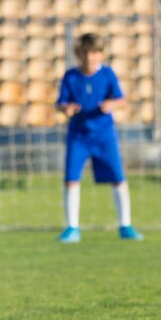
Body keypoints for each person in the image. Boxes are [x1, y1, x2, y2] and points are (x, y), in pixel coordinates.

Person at [55, 33, 143, 243]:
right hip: (79, 136)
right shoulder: (71, 77)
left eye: (94, 53)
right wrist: (66, 108)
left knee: (118, 178)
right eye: (85, 53)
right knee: (71, 180)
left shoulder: (107, 75)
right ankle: (72, 227)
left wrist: (111, 105)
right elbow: (59, 103)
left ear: (101, 54)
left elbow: (122, 100)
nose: (90, 58)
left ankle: (125, 225)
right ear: (79, 54)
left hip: (104, 136)